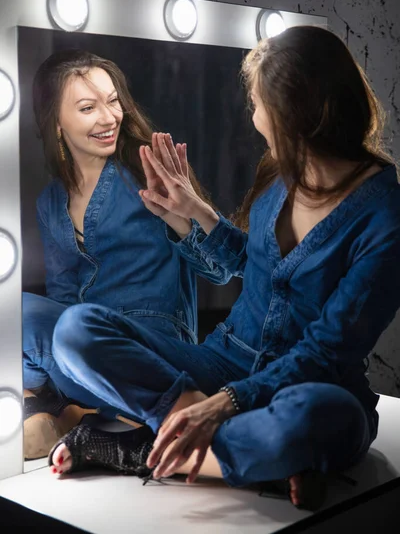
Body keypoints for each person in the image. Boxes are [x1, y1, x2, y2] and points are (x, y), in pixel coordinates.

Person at [46, 26, 400, 511]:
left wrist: (227, 403)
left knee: (315, 417)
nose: (253, 118)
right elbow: (258, 269)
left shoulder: (385, 217)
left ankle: (141, 451)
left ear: (295, 117)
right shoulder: (285, 171)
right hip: (225, 358)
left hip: (313, 384)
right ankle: (254, 460)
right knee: (74, 331)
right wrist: (192, 213)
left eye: (257, 106)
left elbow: (327, 351)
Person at [23, 49, 221, 460]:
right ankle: (70, 408)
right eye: (88, 107)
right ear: (55, 122)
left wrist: (185, 218)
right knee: (14, 310)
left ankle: (74, 413)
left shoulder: (147, 169)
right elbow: (62, 298)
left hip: (153, 354)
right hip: (81, 353)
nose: (109, 117)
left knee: (71, 330)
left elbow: (219, 270)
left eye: (113, 101)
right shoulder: (50, 201)